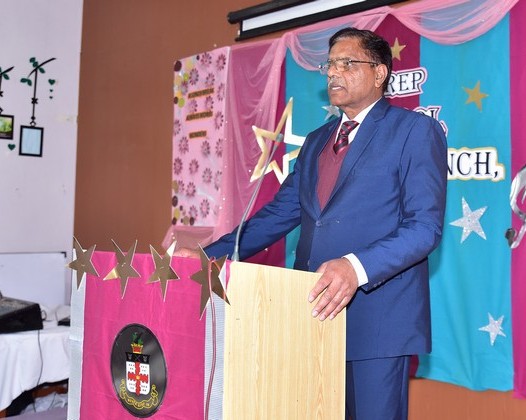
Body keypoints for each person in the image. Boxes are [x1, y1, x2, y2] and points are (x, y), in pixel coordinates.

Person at [175, 27, 448, 420]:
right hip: (311, 312)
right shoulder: (318, 139)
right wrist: (208, 255)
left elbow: (424, 228)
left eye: (348, 63)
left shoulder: (414, 131)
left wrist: (355, 267)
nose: (334, 72)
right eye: (330, 64)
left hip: (380, 320)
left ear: (380, 73)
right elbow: (279, 214)